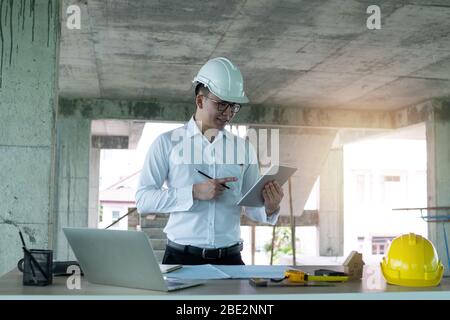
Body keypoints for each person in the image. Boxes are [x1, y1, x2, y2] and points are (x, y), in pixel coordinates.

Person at [136, 57, 284, 265]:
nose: (229, 113)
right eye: (222, 104)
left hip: (231, 259)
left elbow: (252, 208)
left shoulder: (244, 148)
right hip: (181, 259)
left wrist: (270, 207)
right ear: (200, 101)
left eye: (233, 106)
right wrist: (194, 192)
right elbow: (144, 199)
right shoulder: (166, 144)